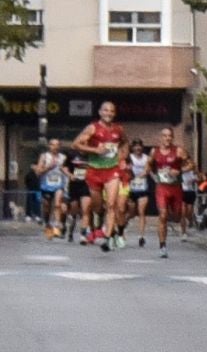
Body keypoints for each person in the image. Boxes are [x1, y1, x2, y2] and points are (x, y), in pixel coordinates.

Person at [71, 100, 128, 250]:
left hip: (112, 170)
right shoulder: (92, 128)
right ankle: (100, 220)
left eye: (111, 111)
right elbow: (75, 144)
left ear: (114, 114)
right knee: (97, 206)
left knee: (111, 204)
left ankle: (107, 238)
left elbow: (124, 143)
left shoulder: (118, 129)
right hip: (95, 170)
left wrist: (122, 157)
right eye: (105, 110)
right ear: (100, 112)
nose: (108, 113)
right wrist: (95, 150)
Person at [151, 127, 189, 258]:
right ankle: (162, 246)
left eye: (169, 136)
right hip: (161, 187)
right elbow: (148, 165)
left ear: (172, 138)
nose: (167, 138)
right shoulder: (154, 152)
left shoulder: (178, 151)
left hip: (175, 188)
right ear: (160, 137)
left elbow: (191, 164)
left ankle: (174, 221)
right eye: (165, 136)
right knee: (162, 215)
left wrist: (179, 170)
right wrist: (151, 174)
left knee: (177, 216)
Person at [36, 139, 68, 239]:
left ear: (60, 146)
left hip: (59, 185)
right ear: (49, 146)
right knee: (47, 207)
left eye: (57, 145)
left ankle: (57, 227)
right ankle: (47, 224)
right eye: (53, 145)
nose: (55, 147)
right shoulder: (44, 156)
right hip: (46, 185)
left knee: (58, 204)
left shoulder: (63, 157)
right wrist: (48, 168)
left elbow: (67, 169)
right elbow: (38, 172)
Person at [125, 139, 154, 246]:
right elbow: (126, 169)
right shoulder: (129, 158)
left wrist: (141, 176)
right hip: (131, 188)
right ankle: (124, 222)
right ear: (132, 148)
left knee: (141, 211)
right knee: (131, 212)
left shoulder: (147, 158)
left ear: (142, 147)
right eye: (135, 146)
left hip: (142, 188)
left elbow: (148, 170)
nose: (138, 148)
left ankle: (141, 236)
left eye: (139, 146)